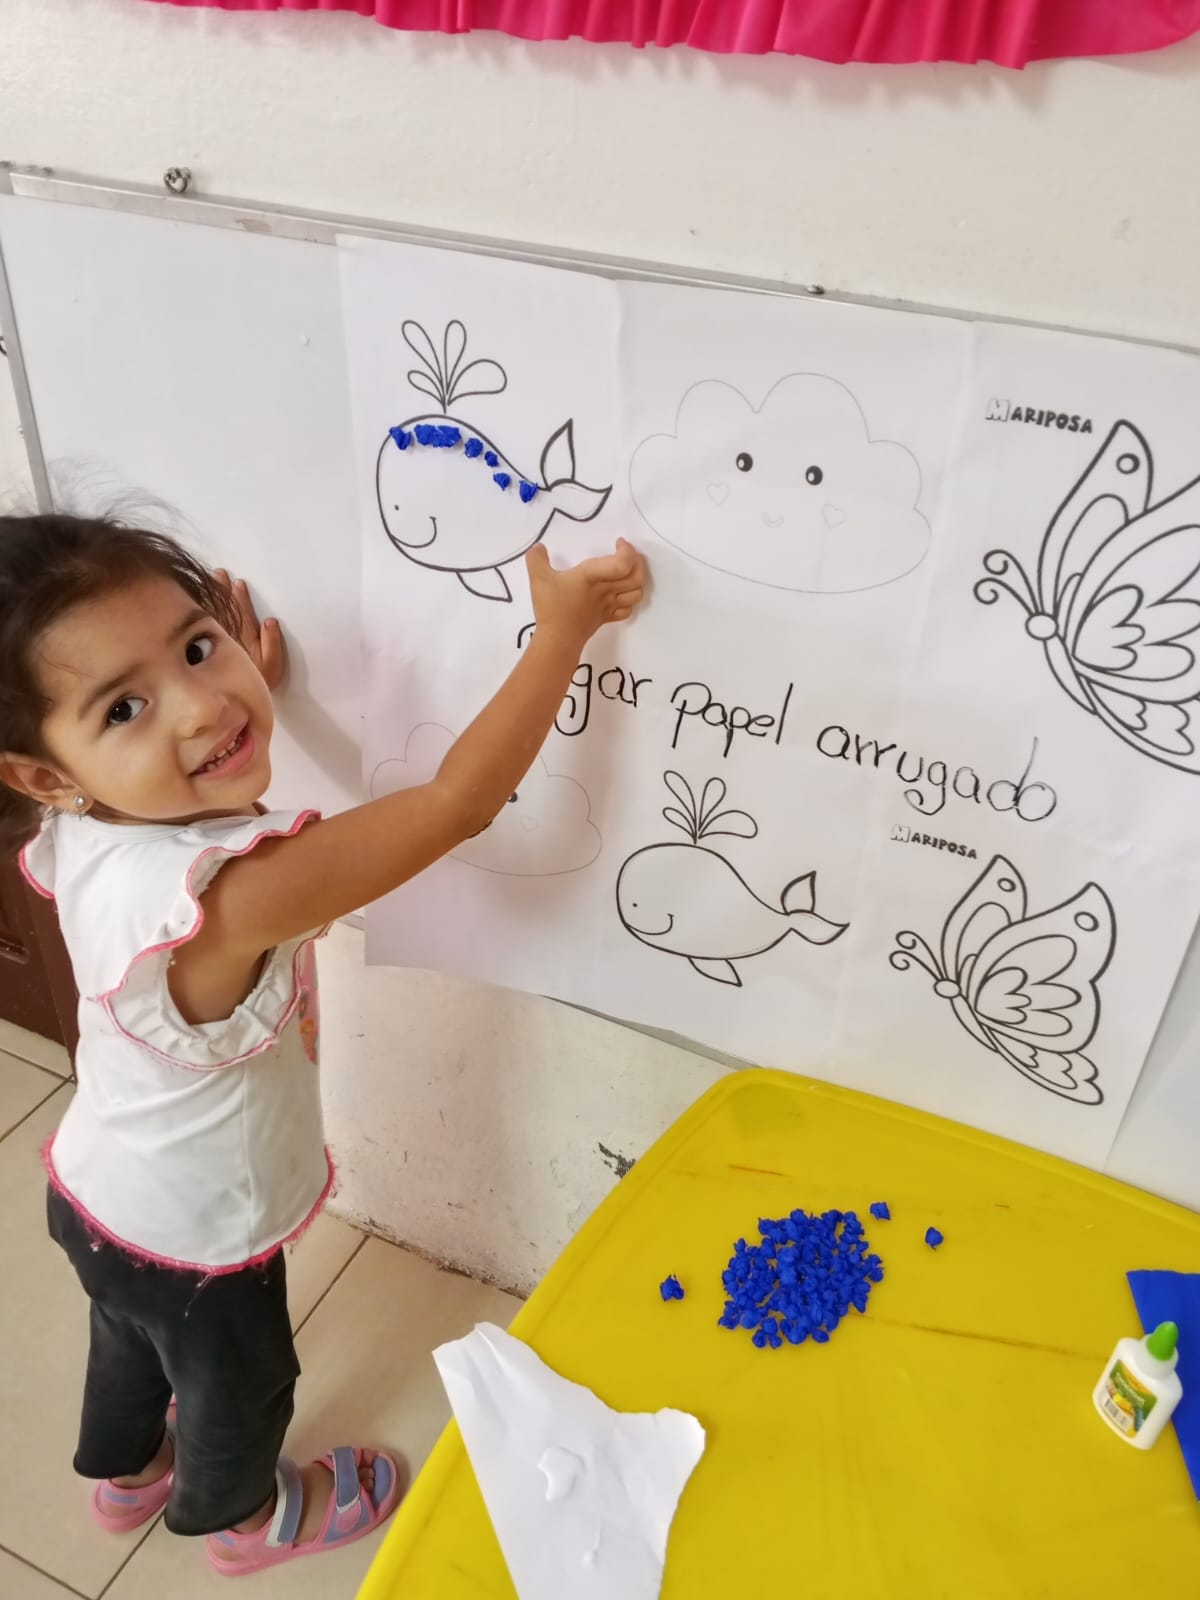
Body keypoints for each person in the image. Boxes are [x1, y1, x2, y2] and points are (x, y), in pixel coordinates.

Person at [0, 511, 646, 1576]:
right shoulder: (240, 893)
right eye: (125, 706)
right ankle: (245, 1516)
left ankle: (127, 1470)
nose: (205, 704)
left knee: (127, 1342)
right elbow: (458, 803)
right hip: (202, 1237)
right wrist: (563, 633)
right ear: (43, 773)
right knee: (241, 1385)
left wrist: (221, 698)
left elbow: (174, 742)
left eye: (196, 645)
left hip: (94, 1192)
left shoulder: (80, 821)